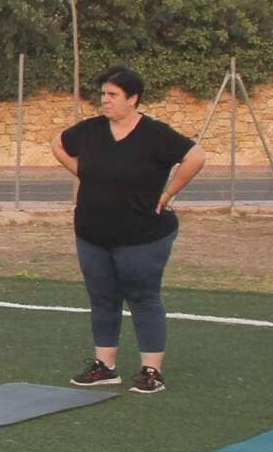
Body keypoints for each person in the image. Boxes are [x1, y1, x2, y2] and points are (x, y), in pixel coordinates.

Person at [52, 65, 206, 394]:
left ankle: (151, 371)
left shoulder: (154, 134)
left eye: (113, 95)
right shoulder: (91, 130)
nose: (105, 101)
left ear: (133, 99)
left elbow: (195, 156)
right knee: (103, 298)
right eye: (103, 94)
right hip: (92, 234)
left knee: (143, 297)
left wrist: (169, 193)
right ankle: (105, 366)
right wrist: (83, 172)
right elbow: (58, 143)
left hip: (142, 236)